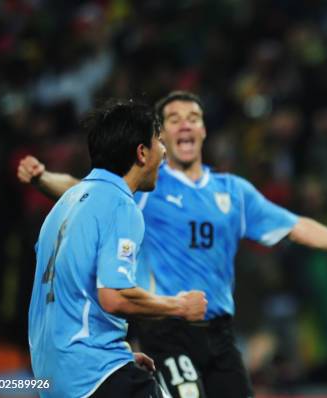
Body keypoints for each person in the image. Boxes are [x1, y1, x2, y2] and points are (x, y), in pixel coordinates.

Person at [18, 91, 327, 398]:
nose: (184, 124)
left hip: (217, 332)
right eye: (173, 118)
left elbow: (295, 226)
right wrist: (44, 179)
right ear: (156, 138)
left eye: (193, 117)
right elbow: (88, 195)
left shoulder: (232, 192)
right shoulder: (142, 191)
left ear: (203, 131)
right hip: (166, 328)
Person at [27, 100, 208, 398]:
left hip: (52, 379)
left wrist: (117, 353)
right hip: (91, 373)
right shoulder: (120, 204)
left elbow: (70, 293)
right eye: (159, 142)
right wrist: (179, 305)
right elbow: (114, 296)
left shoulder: (63, 205)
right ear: (141, 153)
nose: (164, 152)